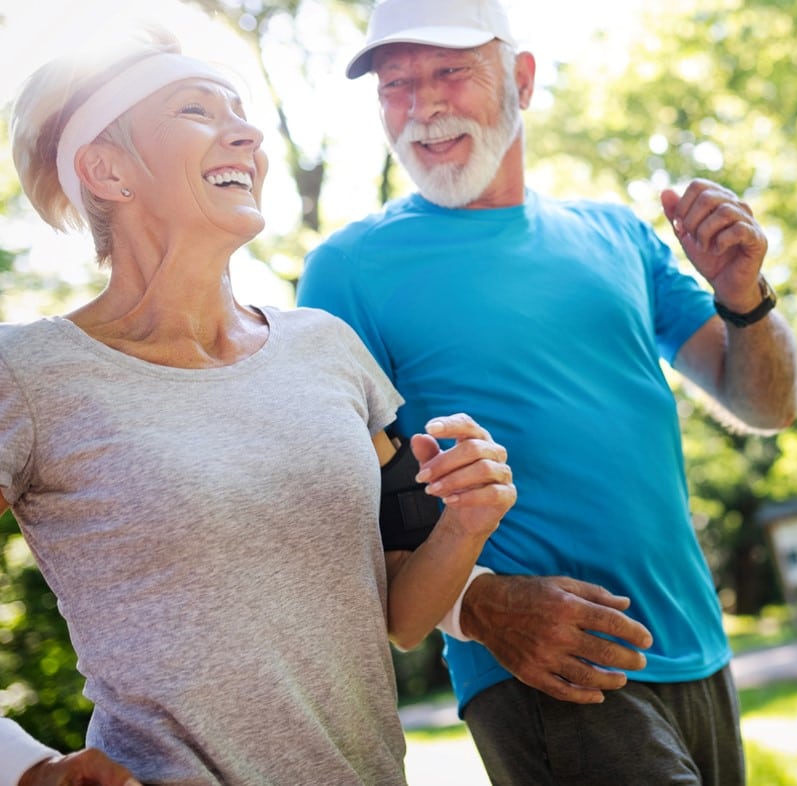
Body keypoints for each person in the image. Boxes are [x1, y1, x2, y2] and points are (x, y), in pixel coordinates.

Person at [296, 1, 797, 783]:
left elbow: (765, 406)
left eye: (450, 72)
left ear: (522, 80)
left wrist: (744, 296)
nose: (422, 106)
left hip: (699, 647)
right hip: (548, 667)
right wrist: (484, 607)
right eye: (396, 84)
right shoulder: (348, 270)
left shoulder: (616, 234)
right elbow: (341, 511)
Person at [0, 27, 516, 786]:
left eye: (241, 111)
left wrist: (468, 521)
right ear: (108, 170)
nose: (246, 133)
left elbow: (402, 617)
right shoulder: (28, 373)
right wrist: (25, 766)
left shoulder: (327, 348)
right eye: (196, 110)